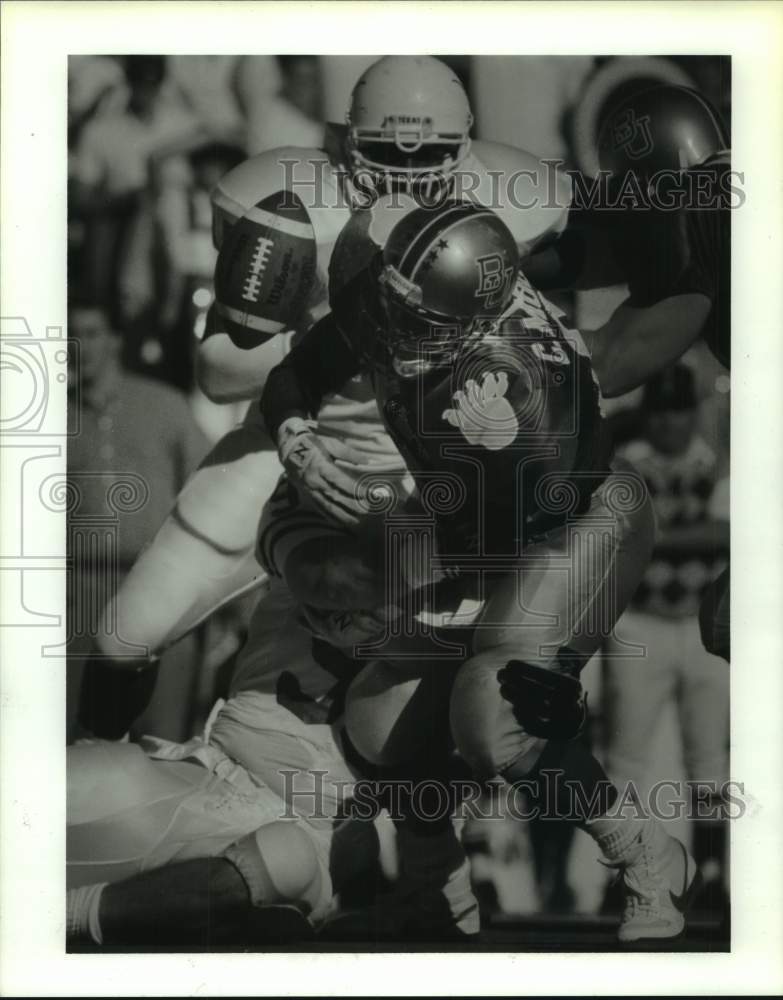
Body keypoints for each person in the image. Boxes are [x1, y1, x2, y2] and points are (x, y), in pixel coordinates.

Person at [80, 54, 574, 743]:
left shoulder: (518, 203)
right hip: (289, 445)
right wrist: (333, 334)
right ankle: (80, 796)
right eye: (386, 150)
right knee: (124, 637)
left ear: (462, 145)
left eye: (430, 150)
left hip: (430, 471)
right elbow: (219, 371)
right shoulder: (297, 202)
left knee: (455, 688)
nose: (409, 170)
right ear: (347, 143)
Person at [260, 199, 702, 943]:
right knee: (375, 721)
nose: (393, 331)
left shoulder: (516, 393)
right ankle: (436, 887)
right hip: (477, 523)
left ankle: (646, 854)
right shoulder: (422, 294)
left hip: (576, 520)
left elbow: (487, 538)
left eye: (417, 321)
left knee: (494, 711)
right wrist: (295, 435)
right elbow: (300, 370)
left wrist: (377, 585)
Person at [603, 365, 730, 914]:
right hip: (642, 622)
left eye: (679, 410)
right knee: (626, 760)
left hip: (705, 631)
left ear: (692, 412)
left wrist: (656, 534)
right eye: (662, 411)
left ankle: (711, 873)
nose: (671, 422)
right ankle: (626, 874)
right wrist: (673, 535)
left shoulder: (717, 460)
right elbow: (618, 533)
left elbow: (727, 531)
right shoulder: (629, 462)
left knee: (709, 762)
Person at [66, 300, 209, 742]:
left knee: (162, 738)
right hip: (76, 599)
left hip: (157, 590)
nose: (80, 347)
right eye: (69, 338)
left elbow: (208, 491)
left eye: (91, 334)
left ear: (114, 341)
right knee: (75, 738)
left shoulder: (164, 407)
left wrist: (228, 610)